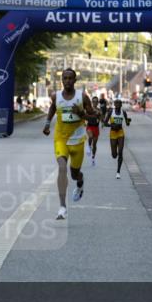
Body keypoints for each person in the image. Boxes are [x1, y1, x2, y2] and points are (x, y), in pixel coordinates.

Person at [42, 68, 96, 220]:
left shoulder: (83, 97)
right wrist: (47, 124)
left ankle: (80, 181)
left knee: (74, 174)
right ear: (62, 81)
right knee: (62, 167)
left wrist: (80, 114)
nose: (67, 81)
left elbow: (93, 117)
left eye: (70, 78)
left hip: (77, 141)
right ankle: (62, 207)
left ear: (75, 80)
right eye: (64, 78)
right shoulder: (56, 96)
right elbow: (53, 107)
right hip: (61, 139)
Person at [105, 97, 132, 179]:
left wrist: (128, 121)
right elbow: (105, 123)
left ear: (121, 105)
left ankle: (118, 172)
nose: (117, 105)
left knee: (120, 152)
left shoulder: (123, 112)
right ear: (114, 104)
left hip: (120, 133)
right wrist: (111, 125)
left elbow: (127, 123)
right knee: (114, 155)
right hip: (113, 133)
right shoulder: (110, 112)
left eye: (119, 103)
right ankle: (114, 153)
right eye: (116, 103)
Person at [84, 95, 102, 166]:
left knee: (94, 144)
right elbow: (85, 116)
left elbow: (101, 119)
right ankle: (88, 146)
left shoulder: (99, 110)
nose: (95, 103)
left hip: (96, 128)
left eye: (96, 101)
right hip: (89, 126)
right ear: (92, 102)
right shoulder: (89, 109)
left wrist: (100, 116)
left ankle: (93, 158)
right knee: (90, 137)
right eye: (93, 101)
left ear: (98, 102)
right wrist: (84, 122)